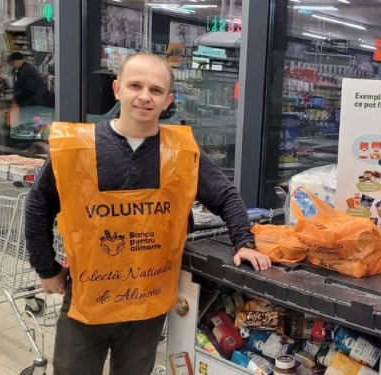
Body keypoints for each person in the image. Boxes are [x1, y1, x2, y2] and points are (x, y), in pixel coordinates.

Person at [24, 52, 272, 375]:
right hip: (87, 301)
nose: (144, 97)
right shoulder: (79, 147)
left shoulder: (182, 153)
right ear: (117, 89)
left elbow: (225, 195)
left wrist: (244, 242)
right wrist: (46, 268)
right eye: (135, 85)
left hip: (147, 304)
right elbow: (39, 203)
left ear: (168, 99)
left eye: (156, 90)